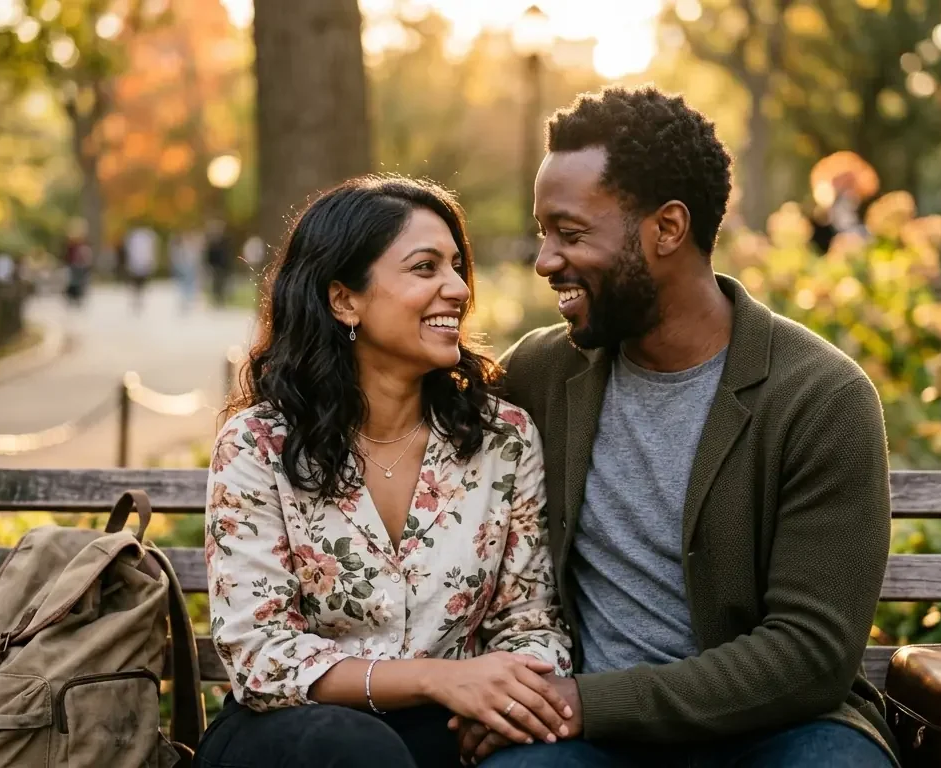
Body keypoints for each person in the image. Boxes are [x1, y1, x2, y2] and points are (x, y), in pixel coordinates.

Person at [453, 87, 899, 767]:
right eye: (543, 231)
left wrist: (587, 701)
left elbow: (811, 654)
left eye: (570, 234)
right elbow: (401, 421)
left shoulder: (821, 397)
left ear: (666, 229)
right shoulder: (541, 373)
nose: (545, 260)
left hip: (774, 729)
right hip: (592, 739)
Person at [197, 176, 574, 768]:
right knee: (358, 752)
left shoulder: (502, 438)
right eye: (425, 268)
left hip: (445, 730)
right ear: (344, 299)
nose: (456, 288)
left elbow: (529, 621)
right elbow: (261, 654)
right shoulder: (258, 445)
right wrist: (433, 679)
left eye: (456, 266)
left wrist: (506, 697)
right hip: (288, 735)